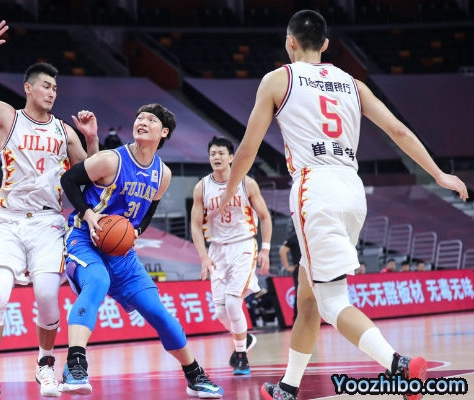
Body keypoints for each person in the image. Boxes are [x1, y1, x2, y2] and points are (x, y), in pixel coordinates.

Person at [218, 10, 469, 400]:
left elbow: (248, 149)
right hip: (352, 190)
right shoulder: (353, 84)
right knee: (308, 298)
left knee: (332, 302)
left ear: (289, 42)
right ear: (325, 44)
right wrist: (437, 174)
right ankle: (288, 387)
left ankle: (400, 367)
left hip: (314, 189)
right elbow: (398, 130)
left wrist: (228, 193)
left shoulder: (278, 80)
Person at [0, 19, 99, 400]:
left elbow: (93, 176)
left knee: (47, 297)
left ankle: (45, 366)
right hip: (9, 223)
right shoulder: (7, 116)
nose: (52, 92)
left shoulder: (64, 131)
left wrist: (92, 139)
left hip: (48, 223)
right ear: (28, 88)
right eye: (46, 85)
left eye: (55, 87)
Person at [59, 103, 224, 398]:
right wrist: (88, 213)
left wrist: (136, 231)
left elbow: (148, 213)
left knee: (158, 312)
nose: (142, 122)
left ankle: (194, 374)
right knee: (97, 281)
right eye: (140, 118)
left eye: (151, 119)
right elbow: (68, 181)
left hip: (121, 252)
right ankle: (75, 365)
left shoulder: (163, 174)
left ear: (164, 132)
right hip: (84, 238)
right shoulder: (111, 160)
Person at [190, 136, 272, 376]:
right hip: (217, 249)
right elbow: (195, 225)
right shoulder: (202, 187)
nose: (216, 157)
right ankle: (244, 339)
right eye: (212, 153)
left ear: (231, 157)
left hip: (243, 245)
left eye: (221, 153)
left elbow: (265, 216)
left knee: (234, 303)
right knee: (220, 312)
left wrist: (265, 248)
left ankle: (241, 356)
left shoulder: (247, 183)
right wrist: (203, 257)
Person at [279, 231, 301, 322]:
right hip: (300, 268)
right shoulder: (296, 236)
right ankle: (297, 320)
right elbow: (282, 250)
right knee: (300, 294)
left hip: (313, 268)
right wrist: (287, 267)